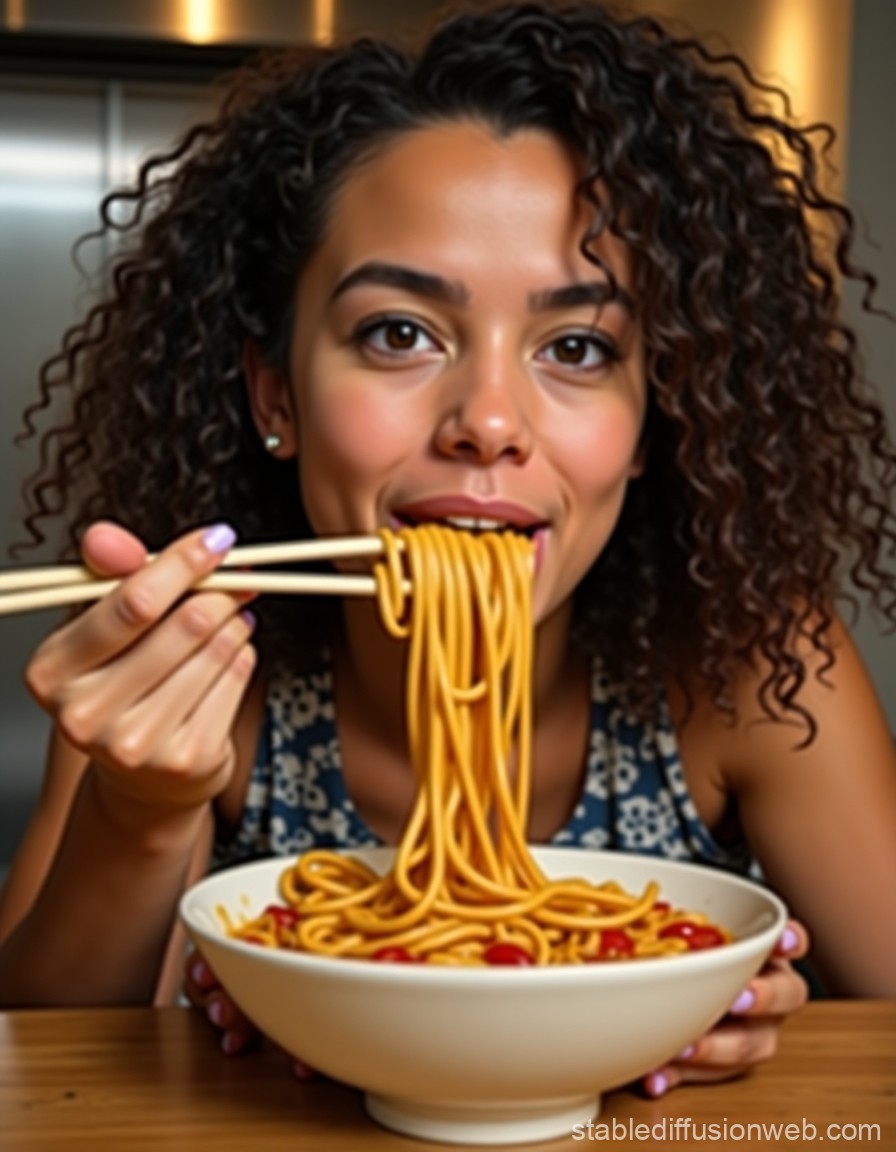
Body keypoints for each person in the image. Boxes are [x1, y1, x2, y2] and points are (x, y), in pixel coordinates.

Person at [1, 0, 894, 1103]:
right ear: (274, 391)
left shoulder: (746, 662)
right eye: (399, 333)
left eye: (574, 347)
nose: (487, 419)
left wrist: (772, 1022)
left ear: (657, 418)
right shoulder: (185, 656)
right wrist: (137, 813)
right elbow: (39, 1073)